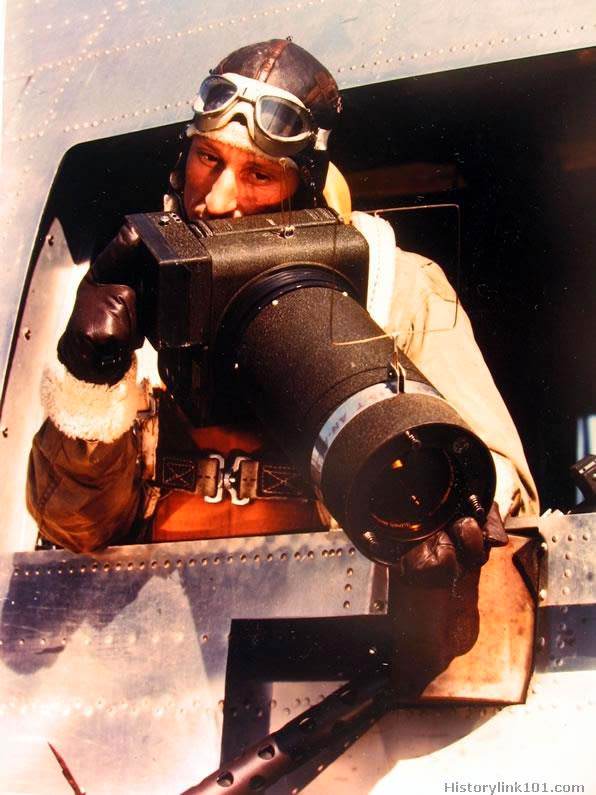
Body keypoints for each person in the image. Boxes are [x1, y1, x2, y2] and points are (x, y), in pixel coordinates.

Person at [26, 38, 538, 585]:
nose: (219, 199)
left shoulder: (397, 287)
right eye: (209, 158)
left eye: (259, 174)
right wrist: (89, 380)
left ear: (304, 187)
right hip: (160, 608)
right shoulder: (138, 287)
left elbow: (503, 479)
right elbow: (72, 529)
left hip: (331, 606)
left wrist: (449, 495)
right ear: (184, 159)